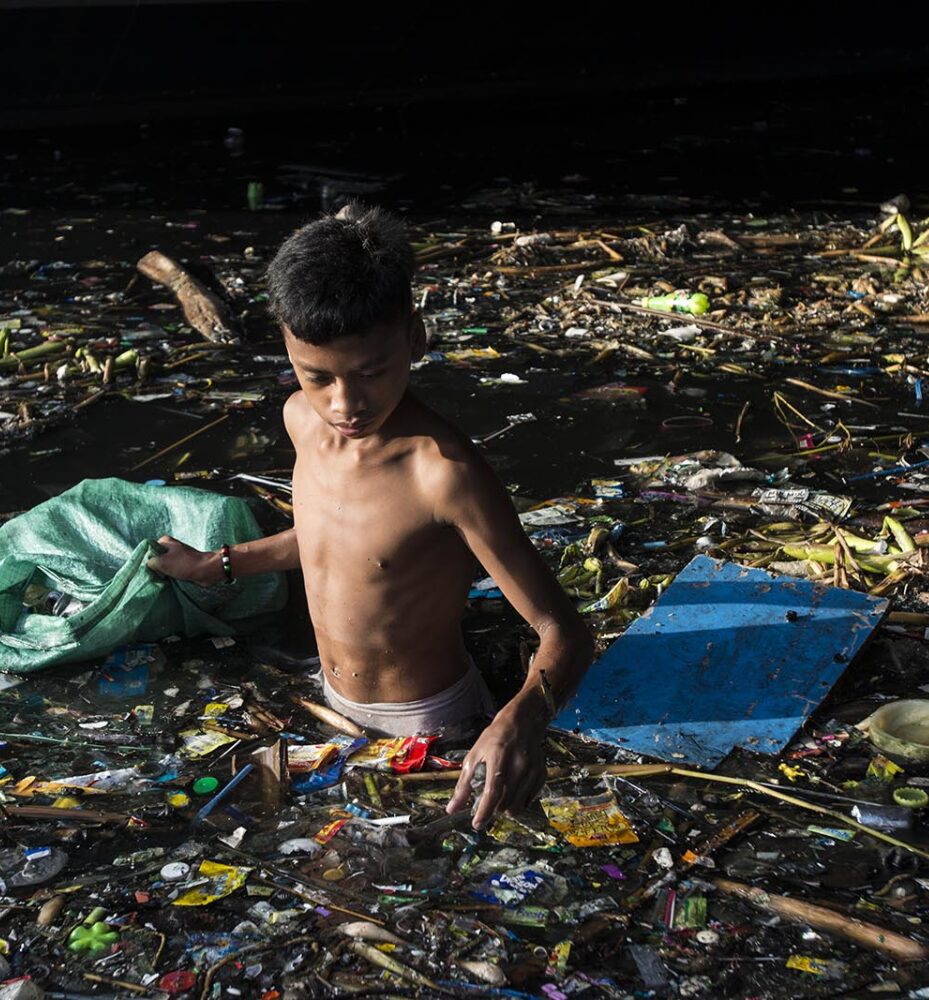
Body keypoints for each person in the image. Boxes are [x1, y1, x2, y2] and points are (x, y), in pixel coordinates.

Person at [147, 204, 594, 831]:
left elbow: (564, 632)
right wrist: (217, 565)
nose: (345, 403)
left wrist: (516, 720)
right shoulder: (301, 420)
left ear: (413, 337)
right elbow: (332, 539)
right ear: (287, 346)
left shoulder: (443, 473)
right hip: (332, 709)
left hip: (434, 726)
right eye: (318, 376)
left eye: (371, 373)